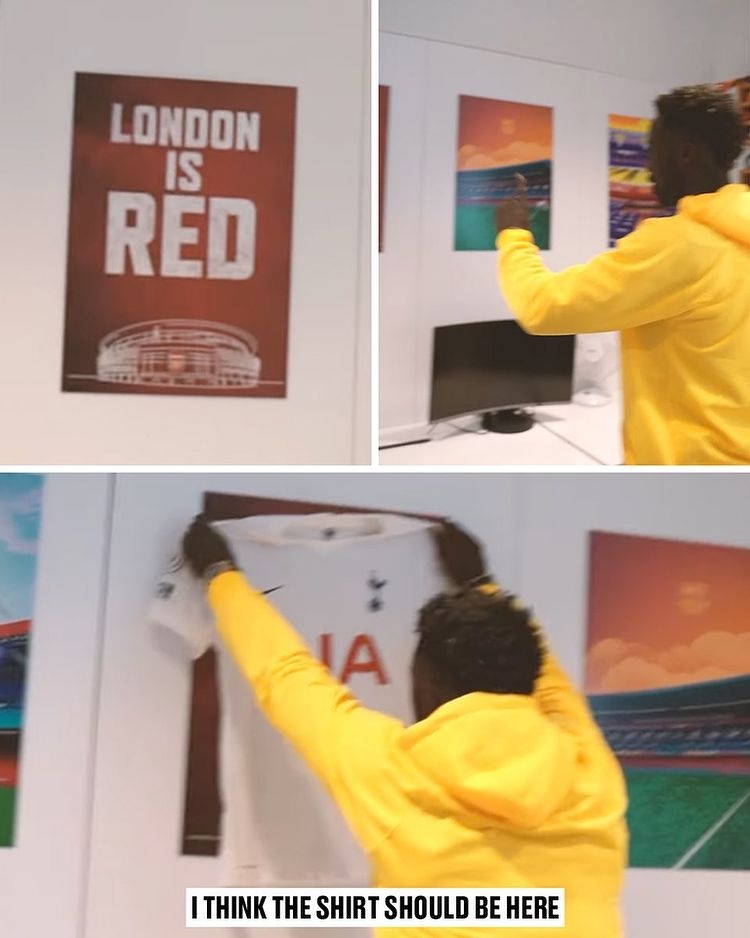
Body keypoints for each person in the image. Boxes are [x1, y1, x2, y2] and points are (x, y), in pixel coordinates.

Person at [181, 514, 628, 938]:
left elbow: (285, 676)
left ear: (427, 684)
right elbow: (551, 685)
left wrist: (222, 575)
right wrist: (481, 587)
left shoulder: (392, 774)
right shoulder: (589, 764)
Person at [496, 84, 750, 466]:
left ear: (685, 153)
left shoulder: (680, 245)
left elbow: (542, 307)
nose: (648, 168)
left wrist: (513, 236)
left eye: (653, 151)